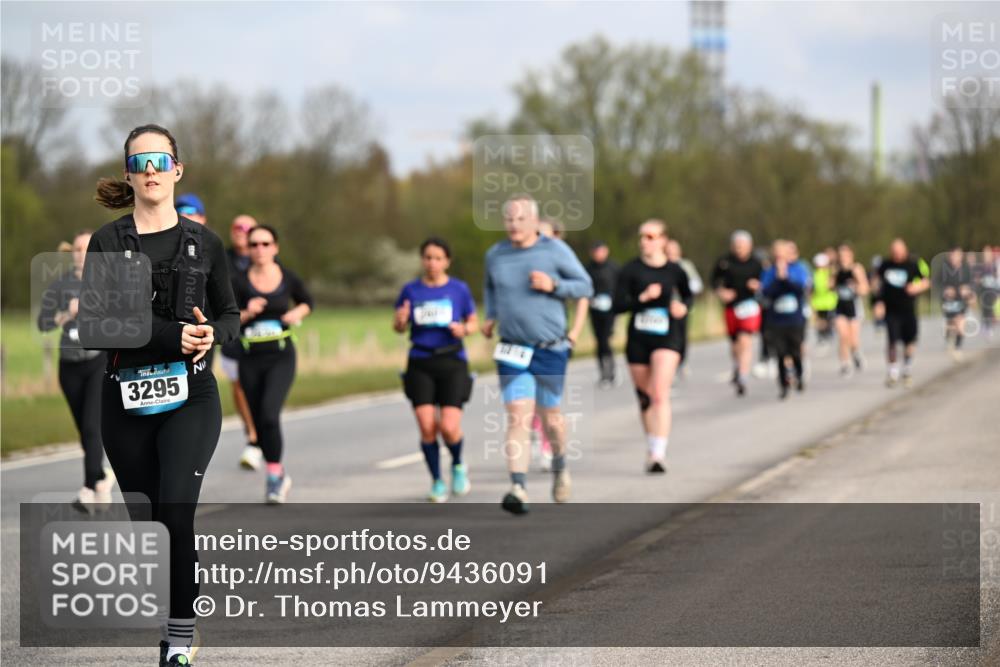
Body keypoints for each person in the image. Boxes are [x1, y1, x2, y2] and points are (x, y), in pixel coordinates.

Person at [79, 124, 240, 666]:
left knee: (175, 512)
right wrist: (173, 334)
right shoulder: (108, 242)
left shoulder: (205, 243)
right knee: (152, 529)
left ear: (177, 170)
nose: (150, 170)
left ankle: (179, 637)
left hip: (191, 396)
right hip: (124, 399)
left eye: (160, 160)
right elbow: (94, 327)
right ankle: (180, 599)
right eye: (139, 161)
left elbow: (230, 315)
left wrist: (212, 333)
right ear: (129, 174)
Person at [482, 194, 593, 515]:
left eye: (520, 219)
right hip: (513, 348)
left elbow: (585, 286)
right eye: (509, 219)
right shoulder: (495, 255)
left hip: (549, 349)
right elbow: (490, 288)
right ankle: (518, 487)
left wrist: (553, 285)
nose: (514, 225)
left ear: (534, 220)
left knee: (551, 419)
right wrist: (490, 315)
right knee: (518, 414)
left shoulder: (554, 250)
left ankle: (560, 464)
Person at [393, 237, 478, 502]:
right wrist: (401, 320)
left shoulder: (458, 289)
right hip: (420, 361)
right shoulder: (411, 290)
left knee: (449, 427)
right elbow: (398, 326)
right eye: (428, 258)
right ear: (422, 260)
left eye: (438, 258)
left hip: (452, 361)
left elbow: (473, 321)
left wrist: (464, 329)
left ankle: (457, 464)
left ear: (447, 262)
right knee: (427, 426)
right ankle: (437, 480)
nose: (432, 263)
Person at [233, 224, 314, 504]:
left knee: (269, 414)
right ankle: (277, 472)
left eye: (265, 244)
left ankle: (274, 475)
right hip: (249, 357)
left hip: (281, 356)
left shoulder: (287, 277)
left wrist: (296, 313)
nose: (260, 249)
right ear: (248, 249)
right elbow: (227, 318)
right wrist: (247, 312)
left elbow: (307, 302)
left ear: (275, 247)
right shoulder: (238, 281)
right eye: (254, 244)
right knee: (259, 420)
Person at [37, 230, 114, 513]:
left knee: (93, 427)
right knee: (85, 430)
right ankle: (102, 476)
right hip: (69, 365)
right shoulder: (61, 285)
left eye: (88, 248)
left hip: (97, 361)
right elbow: (43, 323)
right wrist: (67, 313)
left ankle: (88, 489)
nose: (83, 254)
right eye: (78, 249)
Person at [615, 221, 692, 472]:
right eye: (642, 236)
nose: (644, 241)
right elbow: (618, 305)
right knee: (645, 397)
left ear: (662, 240)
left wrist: (683, 307)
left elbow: (688, 295)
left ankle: (659, 453)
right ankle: (652, 445)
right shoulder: (630, 270)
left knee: (659, 393)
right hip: (638, 337)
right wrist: (642, 298)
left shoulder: (675, 270)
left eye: (650, 236)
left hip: (667, 336)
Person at [220, 215, 262, 470]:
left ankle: (261, 431)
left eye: (246, 228)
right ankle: (253, 436)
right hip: (234, 331)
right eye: (236, 227)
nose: (241, 231)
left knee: (261, 389)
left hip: (260, 334)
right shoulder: (222, 256)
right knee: (239, 387)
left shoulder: (265, 257)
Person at [710, 230, 763, 396]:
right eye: (737, 245)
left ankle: (743, 375)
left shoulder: (757, 263)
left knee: (745, 339)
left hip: (749, 305)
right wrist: (722, 292)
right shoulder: (724, 262)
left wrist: (758, 285)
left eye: (743, 245)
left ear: (750, 246)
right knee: (734, 343)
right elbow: (714, 281)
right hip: (731, 307)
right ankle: (737, 365)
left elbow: (766, 282)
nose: (739, 248)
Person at [873, 238, 930, 388]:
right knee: (892, 341)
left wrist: (917, 287)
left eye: (899, 251)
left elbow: (926, 281)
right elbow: (877, 284)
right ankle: (892, 372)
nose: (897, 254)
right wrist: (878, 302)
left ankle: (907, 369)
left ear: (905, 250)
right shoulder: (885, 265)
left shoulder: (913, 264)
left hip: (908, 309)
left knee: (909, 341)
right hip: (891, 310)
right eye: (894, 251)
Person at [761, 240, 810, 399]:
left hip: (795, 319)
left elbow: (801, 289)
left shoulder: (798, 269)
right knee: (780, 353)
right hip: (776, 320)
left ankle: (799, 374)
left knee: (795, 351)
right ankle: (783, 385)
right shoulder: (769, 272)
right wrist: (778, 278)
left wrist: (786, 278)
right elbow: (766, 292)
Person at [586, 241, 620, 387]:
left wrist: (615, 301)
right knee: (599, 341)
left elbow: (621, 287)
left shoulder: (614, 267)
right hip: (595, 310)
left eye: (600, 251)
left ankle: (611, 372)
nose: (598, 254)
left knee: (606, 340)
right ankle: (603, 373)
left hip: (610, 311)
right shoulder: (588, 269)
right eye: (595, 252)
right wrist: (590, 300)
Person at [666, 239, 702, 378]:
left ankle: (681, 362)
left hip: (682, 306)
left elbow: (697, 285)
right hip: (665, 307)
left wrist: (683, 287)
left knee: (681, 336)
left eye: (673, 250)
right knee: (667, 336)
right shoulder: (662, 265)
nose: (671, 253)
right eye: (668, 250)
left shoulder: (686, 265)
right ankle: (669, 364)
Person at [832, 243, 870, 375]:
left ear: (851, 255)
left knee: (853, 339)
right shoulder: (836, 270)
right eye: (841, 255)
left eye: (845, 255)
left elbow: (865, 288)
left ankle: (856, 353)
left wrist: (856, 288)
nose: (843, 258)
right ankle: (845, 364)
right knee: (843, 335)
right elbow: (830, 285)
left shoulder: (856, 269)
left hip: (854, 306)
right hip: (840, 306)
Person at [936, 247, 975, 361]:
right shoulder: (944, 269)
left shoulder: (966, 269)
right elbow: (937, 283)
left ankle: (957, 348)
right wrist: (945, 290)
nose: (955, 258)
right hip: (948, 301)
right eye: (953, 255)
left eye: (958, 255)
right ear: (950, 256)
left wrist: (969, 292)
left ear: (961, 256)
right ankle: (949, 339)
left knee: (960, 322)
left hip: (961, 300)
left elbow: (972, 283)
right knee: (951, 323)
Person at [810, 249, 838, 348]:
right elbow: (811, 288)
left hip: (829, 301)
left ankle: (828, 334)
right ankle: (822, 335)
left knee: (829, 320)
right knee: (821, 320)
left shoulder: (829, 272)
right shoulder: (814, 274)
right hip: (819, 301)